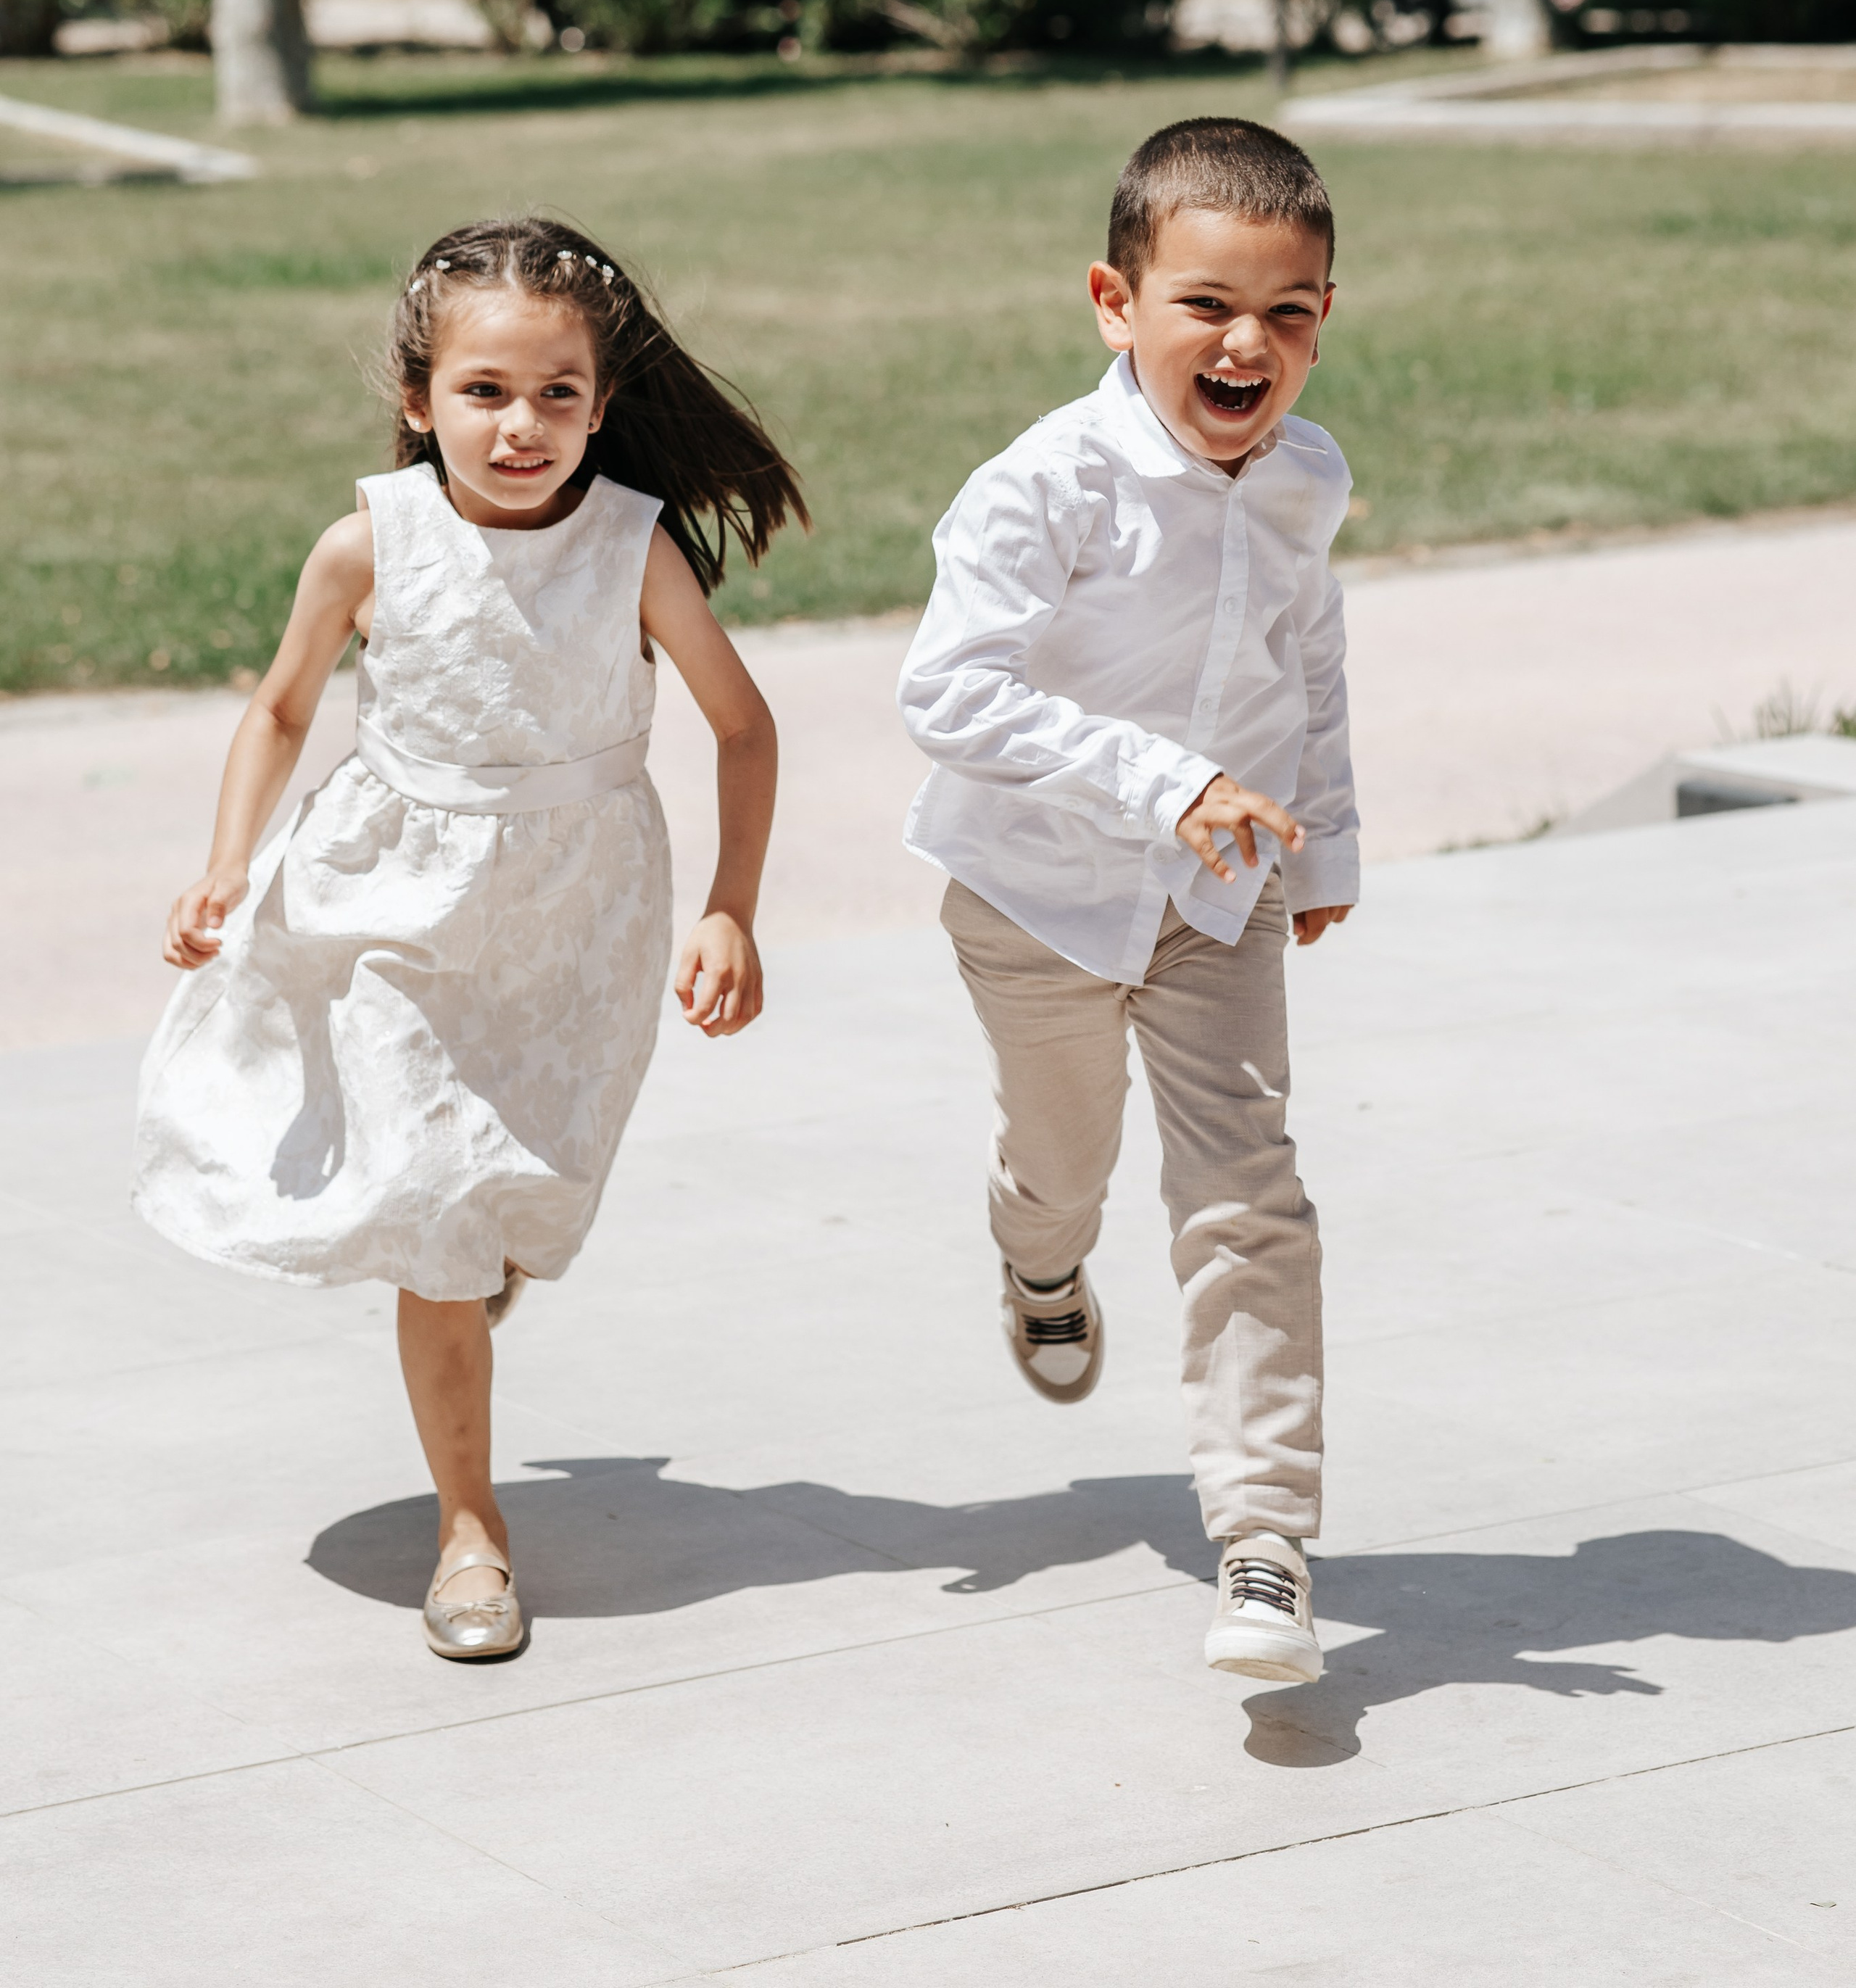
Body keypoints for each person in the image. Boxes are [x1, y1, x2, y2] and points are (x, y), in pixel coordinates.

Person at [136, 215, 804, 1662]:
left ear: (603, 403)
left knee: (510, 1196)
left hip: (578, 916)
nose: (521, 427)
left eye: (557, 395)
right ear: (418, 395)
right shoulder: (367, 543)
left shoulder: (630, 551)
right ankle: (471, 1533)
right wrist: (222, 865)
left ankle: (469, 1260)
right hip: (392, 904)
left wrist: (731, 905)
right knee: (442, 1214)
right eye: (484, 393)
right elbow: (280, 709)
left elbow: (742, 728)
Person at [898, 118, 1357, 1687]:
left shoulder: (1304, 476)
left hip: (1217, 896)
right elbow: (947, 695)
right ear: (1116, 302)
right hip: (1032, 893)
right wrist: (1160, 780)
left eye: (1286, 312)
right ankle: (1036, 1261)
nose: (1247, 344)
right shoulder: (1046, 485)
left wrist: (1326, 850)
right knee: (1063, 1160)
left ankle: (1264, 1538)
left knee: (1246, 1198)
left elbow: (1309, 662)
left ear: (1321, 322)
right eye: (1205, 305)